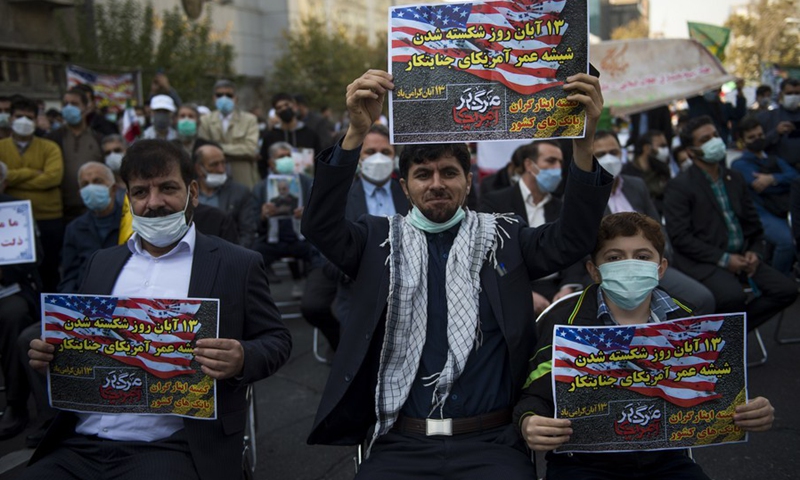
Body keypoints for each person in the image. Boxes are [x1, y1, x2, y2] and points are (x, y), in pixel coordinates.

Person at [301, 69, 613, 478]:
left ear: (468, 181)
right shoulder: (377, 242)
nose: (436, 184)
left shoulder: (506, 237)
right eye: (423, 174)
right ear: (404, 185)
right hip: (401, 443)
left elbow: (571, 239)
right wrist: (356, 132)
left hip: (493, 445)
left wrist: (583, 144)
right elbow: (320, 226)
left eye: (449, 172)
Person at [24, 139, 292, 480]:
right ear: (128, 198)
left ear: (193, 192)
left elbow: (278, 339)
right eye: (140, 192)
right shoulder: (101, 263)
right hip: (80, 444)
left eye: (167, 188)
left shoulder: (236, 264)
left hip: (174, 445)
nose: (154, 203)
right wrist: (51, 354)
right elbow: (80, 339)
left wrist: (242, 356)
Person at [513, 212, 776, 480]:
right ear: (594, 270)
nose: (629, 265)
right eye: (614, 258)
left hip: (666, 461)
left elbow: (718, 393)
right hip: (583, 462)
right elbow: (533, 394)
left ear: (660, 268)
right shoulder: (563, 323)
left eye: (642, 257)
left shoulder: (688, 323)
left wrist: (752, 411)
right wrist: (529, 421)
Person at [663, 115, 798, 330]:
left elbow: (753, 225)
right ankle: (727, 337)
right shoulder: (680, 186)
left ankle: (729, 334)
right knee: (732, 297)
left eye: (715, 135)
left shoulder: (734, 178)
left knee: (786, 290)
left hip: (743, 257)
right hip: (705, 261)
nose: (715, 141)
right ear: (691, 151)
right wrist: (724, 260)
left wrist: (755, 252)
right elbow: (680, 237)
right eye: (705, 139)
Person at [593, 130, 716, 314]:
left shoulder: (636, 185)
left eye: (614, 152)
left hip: (649, 266)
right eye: (600, 154)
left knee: (702, 299)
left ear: (622, 153)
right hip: (612, 275)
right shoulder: (583, 197)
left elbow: (657, 228)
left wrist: (659, 261)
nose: (609, 159)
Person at [479, 140, 585, 315]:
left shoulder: (561, 208)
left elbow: (573, 251)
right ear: (529, 164)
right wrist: (522, 292)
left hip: (557, 292)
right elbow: (490, 254)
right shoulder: (496, 202)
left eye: (560, 162)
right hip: (512, 291)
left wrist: (567, 289)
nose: (557, 168)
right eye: (550, 161)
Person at [0, 96, 65, 292]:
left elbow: (52, 178)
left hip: (48, 217)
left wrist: (10, 179)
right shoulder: (2, 147)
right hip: (11, 223)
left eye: (29, 117)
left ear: (36, 121)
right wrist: (30, 173)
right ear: (10, 118)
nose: (24, 121)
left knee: (50, 269)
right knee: (20, 274)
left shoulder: (49, 147)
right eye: (19, 116)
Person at [0, 161, 43, 441]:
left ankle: (16, 404)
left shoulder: (16, 211)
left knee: (14, 316)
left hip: (8, 289)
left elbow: (33, 258)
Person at [731, 116, 798, 275]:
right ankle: (778, 278)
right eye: (751, 137)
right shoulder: (739, 164)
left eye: (760, 135)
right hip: (762, 213)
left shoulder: (773, 158)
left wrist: (773, 178)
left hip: (784, 209)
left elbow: (795, 177)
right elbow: (760, 187)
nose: (757, 139)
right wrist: (781, 181)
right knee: (787, 242)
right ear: (742, 141)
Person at [59, 162, 123, 293]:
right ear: (80, 193)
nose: (91, 187)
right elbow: (70, 276)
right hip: (87, 300)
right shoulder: (74, 229)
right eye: (85, 184)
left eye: (97, 181)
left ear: (113, 188)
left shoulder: (130, 223)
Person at [47, 87, 105, 223]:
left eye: (74, 104)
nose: (69, 108)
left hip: (94, 208)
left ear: (86, 107)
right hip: (63, 210)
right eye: (65, 104)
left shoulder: (98, 138)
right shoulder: (53, 138)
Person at [198, 79, 260, 189]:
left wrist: (217, 148)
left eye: (229, 95)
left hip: (242, 176)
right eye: (219, 95)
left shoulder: (249, 120)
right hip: (213, 177)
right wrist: (237, 150)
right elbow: (203, 150)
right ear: (214, 98)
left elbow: (250, 149)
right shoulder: (205, 120)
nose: (224, 98)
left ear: (236, 99)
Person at [193, 143, 258, 248]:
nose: (221, 169)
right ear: (199, 169)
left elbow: (248, 232)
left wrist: (234, 256)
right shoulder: (187, 194)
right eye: (214, 165)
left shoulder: (240, 193)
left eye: (224, 163)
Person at [259, 93, 322, 178]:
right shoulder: (270, 136)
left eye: (286, 105)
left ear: (295, 106)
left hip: (307, 185)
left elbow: (319, 160)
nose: (284, 109)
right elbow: (263, 163)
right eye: (279, 108)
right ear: (276, 113)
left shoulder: (310, 134)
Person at [621, 129, 672, 212]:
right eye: (661, 146)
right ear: (646, 148)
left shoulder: (663, 171)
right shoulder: (626, 173)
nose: (665, 150)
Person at [687, 81, 747, 146]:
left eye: (716, 90)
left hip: (723, 141)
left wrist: (739, 91)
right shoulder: (697, 104)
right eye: (712, 90)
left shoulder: (724, 107)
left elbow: (739, 113)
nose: (714, 92)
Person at [758, 77, 800, 169]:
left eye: (797, 93)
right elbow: (758, 145)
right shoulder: (767, 117)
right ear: (781, 95)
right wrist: (776, 132)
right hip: (778, 171)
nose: (794, 96)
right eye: (789, 93)